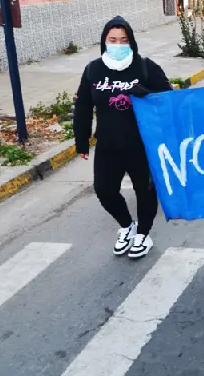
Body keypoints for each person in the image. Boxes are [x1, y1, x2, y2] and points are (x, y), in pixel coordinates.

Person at [73, 16, 173, 259]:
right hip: (108, 144)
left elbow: (170, 101)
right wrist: (81, 140)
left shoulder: (145, 67)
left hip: (141, 146)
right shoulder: (93, 70)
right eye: (113, 39)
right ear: (104, 41)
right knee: (104, 190)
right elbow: (83, 107)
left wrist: (146, 94)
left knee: (145, 191)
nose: (118, 44)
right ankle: (127, 226)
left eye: (123, 40)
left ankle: (143, 234)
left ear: (131, 41)